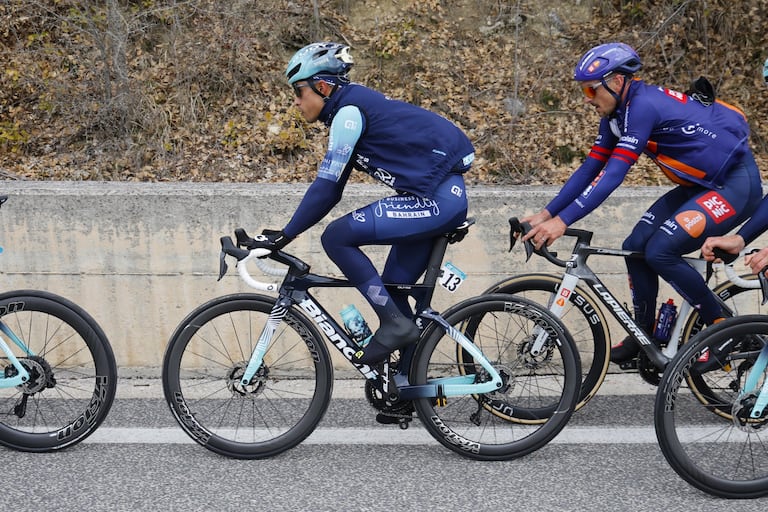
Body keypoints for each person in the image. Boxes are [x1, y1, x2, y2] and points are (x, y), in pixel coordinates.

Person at [520, 42, 763, 365]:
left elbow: (613, 175)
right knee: (634, 245)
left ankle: (723, 327)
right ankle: (643, 333)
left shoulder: (643, 106)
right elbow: (591, 168)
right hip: (699, 186)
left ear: (617, 81)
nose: (588, 100)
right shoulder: (616, 114)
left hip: (735, 186)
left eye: (592, 92)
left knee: (660, 250)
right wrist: (547, 213)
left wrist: (562, 222)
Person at [259, 42, 475, 365]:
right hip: (436, 198)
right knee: (392, 290)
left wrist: (286, 234)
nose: (296, 101)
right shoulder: (350, 107)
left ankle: (394, 325)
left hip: (436, 201)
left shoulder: (348, 115)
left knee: (336, 237)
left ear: (322, 85)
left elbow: (325, 187)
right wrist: (286, 233)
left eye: (299, 91)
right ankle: (407, 382)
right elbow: (332, 191)